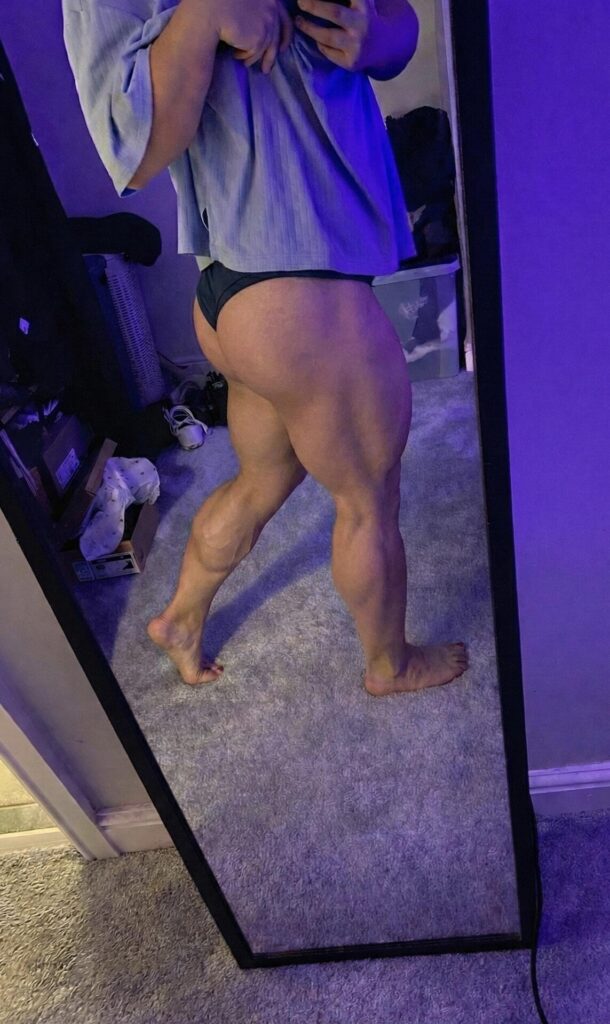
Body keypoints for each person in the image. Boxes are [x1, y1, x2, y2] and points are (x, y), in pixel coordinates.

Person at [62, 0, 468, 695]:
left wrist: (374, 32)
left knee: (261, 481)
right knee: (369, 499)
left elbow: (399, 33)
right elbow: (134, 150)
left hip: (241, 296)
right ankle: (391, 664)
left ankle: (180, 619)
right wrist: (205, 14)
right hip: (296, 288)